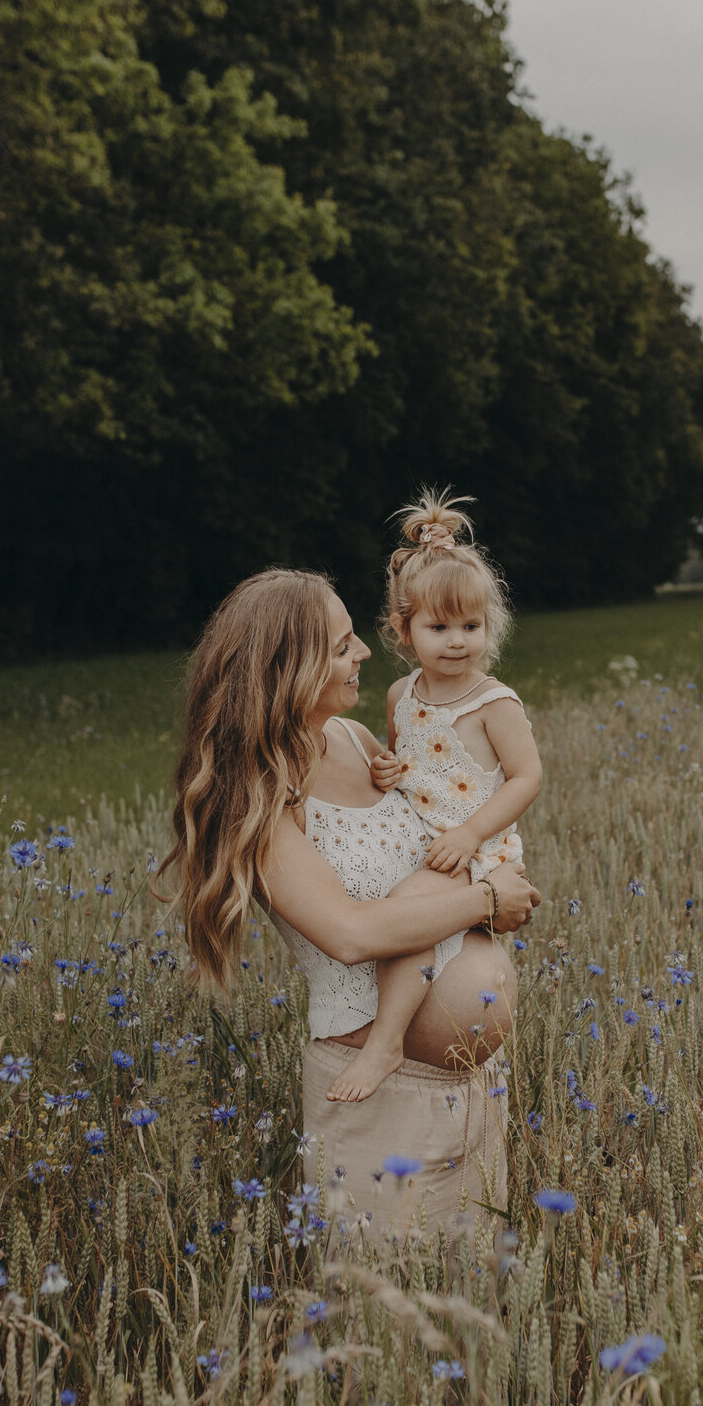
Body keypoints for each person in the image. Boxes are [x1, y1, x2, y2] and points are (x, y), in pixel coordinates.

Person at [160, 568, 539, 1239]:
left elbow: (436, 834)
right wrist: (484, 900)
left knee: (475, 1316)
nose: (364, 652)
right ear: (289, 667)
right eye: (340, 646)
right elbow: (351, 933)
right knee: (382, 1323)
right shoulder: (257, 798)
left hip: (474, 1093)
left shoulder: (357, 741)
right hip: (378, 1103)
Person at [327, 493, 542, 1104]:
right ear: (403, 630)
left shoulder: (493, 702)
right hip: (421, 836)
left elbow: (526, 778)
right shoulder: (401, 694)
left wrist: (471, 836)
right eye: (438, 627)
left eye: (471, 627)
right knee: (395, 904)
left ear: (488, 626)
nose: (457, 642)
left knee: (412, 911)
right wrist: (392, 768)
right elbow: (411, 763)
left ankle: (387, 1040)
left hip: (474, 846)